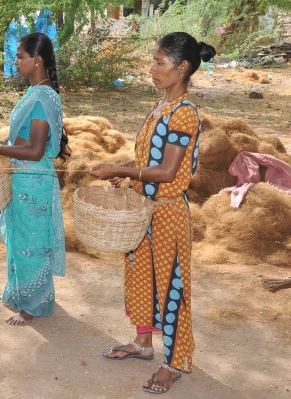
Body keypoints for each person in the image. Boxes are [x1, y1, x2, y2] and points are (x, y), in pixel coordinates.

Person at [89, 32, 216, 394]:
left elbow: (167, 174)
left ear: (183, 68)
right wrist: (121, 167)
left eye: (160, 63)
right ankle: (143, 345)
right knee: (141, 279)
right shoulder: (160, 106)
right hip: (144, 211)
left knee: (171, 287)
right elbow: (147, 162)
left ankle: (175, 361)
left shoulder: (185, 114)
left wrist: (123, 172)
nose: (152, 69)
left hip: (167, 215)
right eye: (154, 61)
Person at [0, 32, 68, 326]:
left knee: (31, 244)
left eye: (20, 57)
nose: (15, 62)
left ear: (37, 60)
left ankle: (32, 306)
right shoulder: (37, 92)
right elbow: (22, 139)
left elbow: (36, 150)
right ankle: (27, 295)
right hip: (24, 178)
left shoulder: (41, 98)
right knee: (23, 239)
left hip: (32, 181)